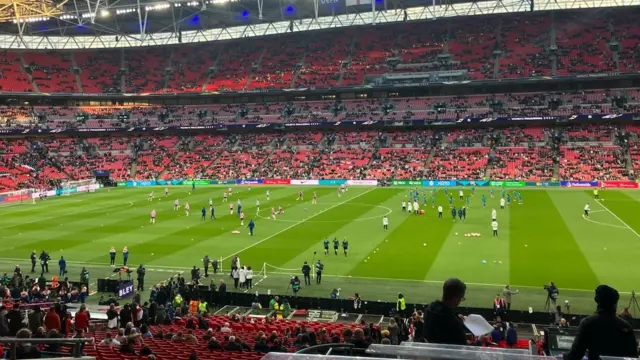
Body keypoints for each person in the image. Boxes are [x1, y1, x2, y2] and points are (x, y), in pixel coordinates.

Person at [565, 285, 638, 360]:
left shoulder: (588, 323)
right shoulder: (626, 326)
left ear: (597, 301)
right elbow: (633, 356)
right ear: (615, 304)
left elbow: (575, 355)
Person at [424, 278, 468, 345]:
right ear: (455, 298)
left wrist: (456, 316)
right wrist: (479, 341)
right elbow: (464, 349)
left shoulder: (430, 309)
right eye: (461, 298)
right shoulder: (454, 324)